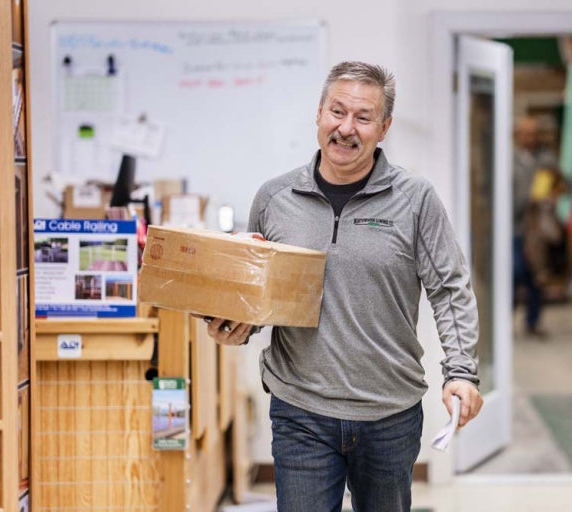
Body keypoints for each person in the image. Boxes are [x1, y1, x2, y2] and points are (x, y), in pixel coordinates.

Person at [207, 61, 482, 512]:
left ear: (384, 127)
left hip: (389, 414)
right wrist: (233, 326)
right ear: (318, 114)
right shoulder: (274, 200)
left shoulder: (415, 199)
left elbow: (450, 288)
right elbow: (259, 295)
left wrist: (461, 372)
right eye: (337, 111)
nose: (346, 128)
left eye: (363, 116)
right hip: (300, 410)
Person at [512, 115, 558, 337]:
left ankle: (533, 322)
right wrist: (525, 200)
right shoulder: (509, 159)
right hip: (514, 227)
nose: (530, 137)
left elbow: (561, 182)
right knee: (515, 271)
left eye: (533, 133)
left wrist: (553, 192)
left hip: (538, 229)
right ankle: (506, 318)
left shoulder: (546, 159)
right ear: (518, 135)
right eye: (525, 133)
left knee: (536, 275)